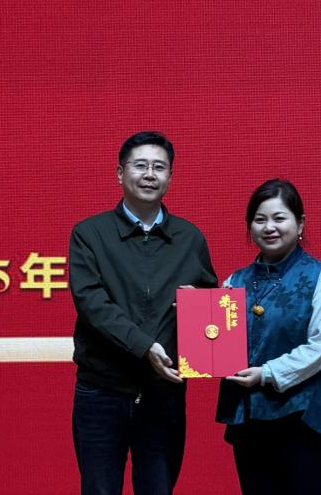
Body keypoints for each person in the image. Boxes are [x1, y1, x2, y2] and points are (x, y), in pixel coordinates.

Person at [69, 131, 217, 495]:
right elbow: (91, 303)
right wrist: (144, 347)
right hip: (102, 390)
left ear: (170, 177)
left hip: (163, 394)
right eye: (140, 166)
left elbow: (210, 308)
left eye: (159, 167)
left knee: (158, 488)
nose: (150, 174)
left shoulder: (190, 238)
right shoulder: (89, 234)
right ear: (120, 173)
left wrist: (203, 309)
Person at [216, 179, 321, 495]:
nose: (269, 227)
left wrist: (267, 373)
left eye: (279, 218)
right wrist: (193, 309)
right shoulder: (233, 282)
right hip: (249, 421)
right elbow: (216, 344)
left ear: (300, 224)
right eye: (260, 219)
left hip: (304, 421)